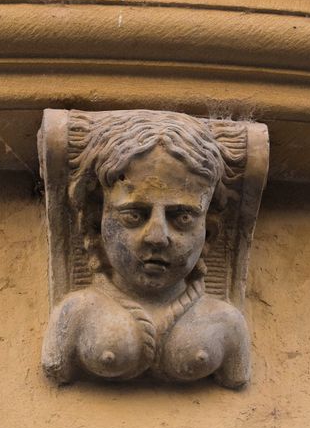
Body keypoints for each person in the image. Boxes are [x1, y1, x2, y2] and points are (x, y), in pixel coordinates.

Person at [42, 111, 250, 388]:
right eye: (133, 215)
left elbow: (237, 376)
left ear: (209, 232)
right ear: (94, 223)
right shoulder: (76, 315)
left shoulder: (226, 322)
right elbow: (57, 366)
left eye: (182, 217)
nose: (157, 237)